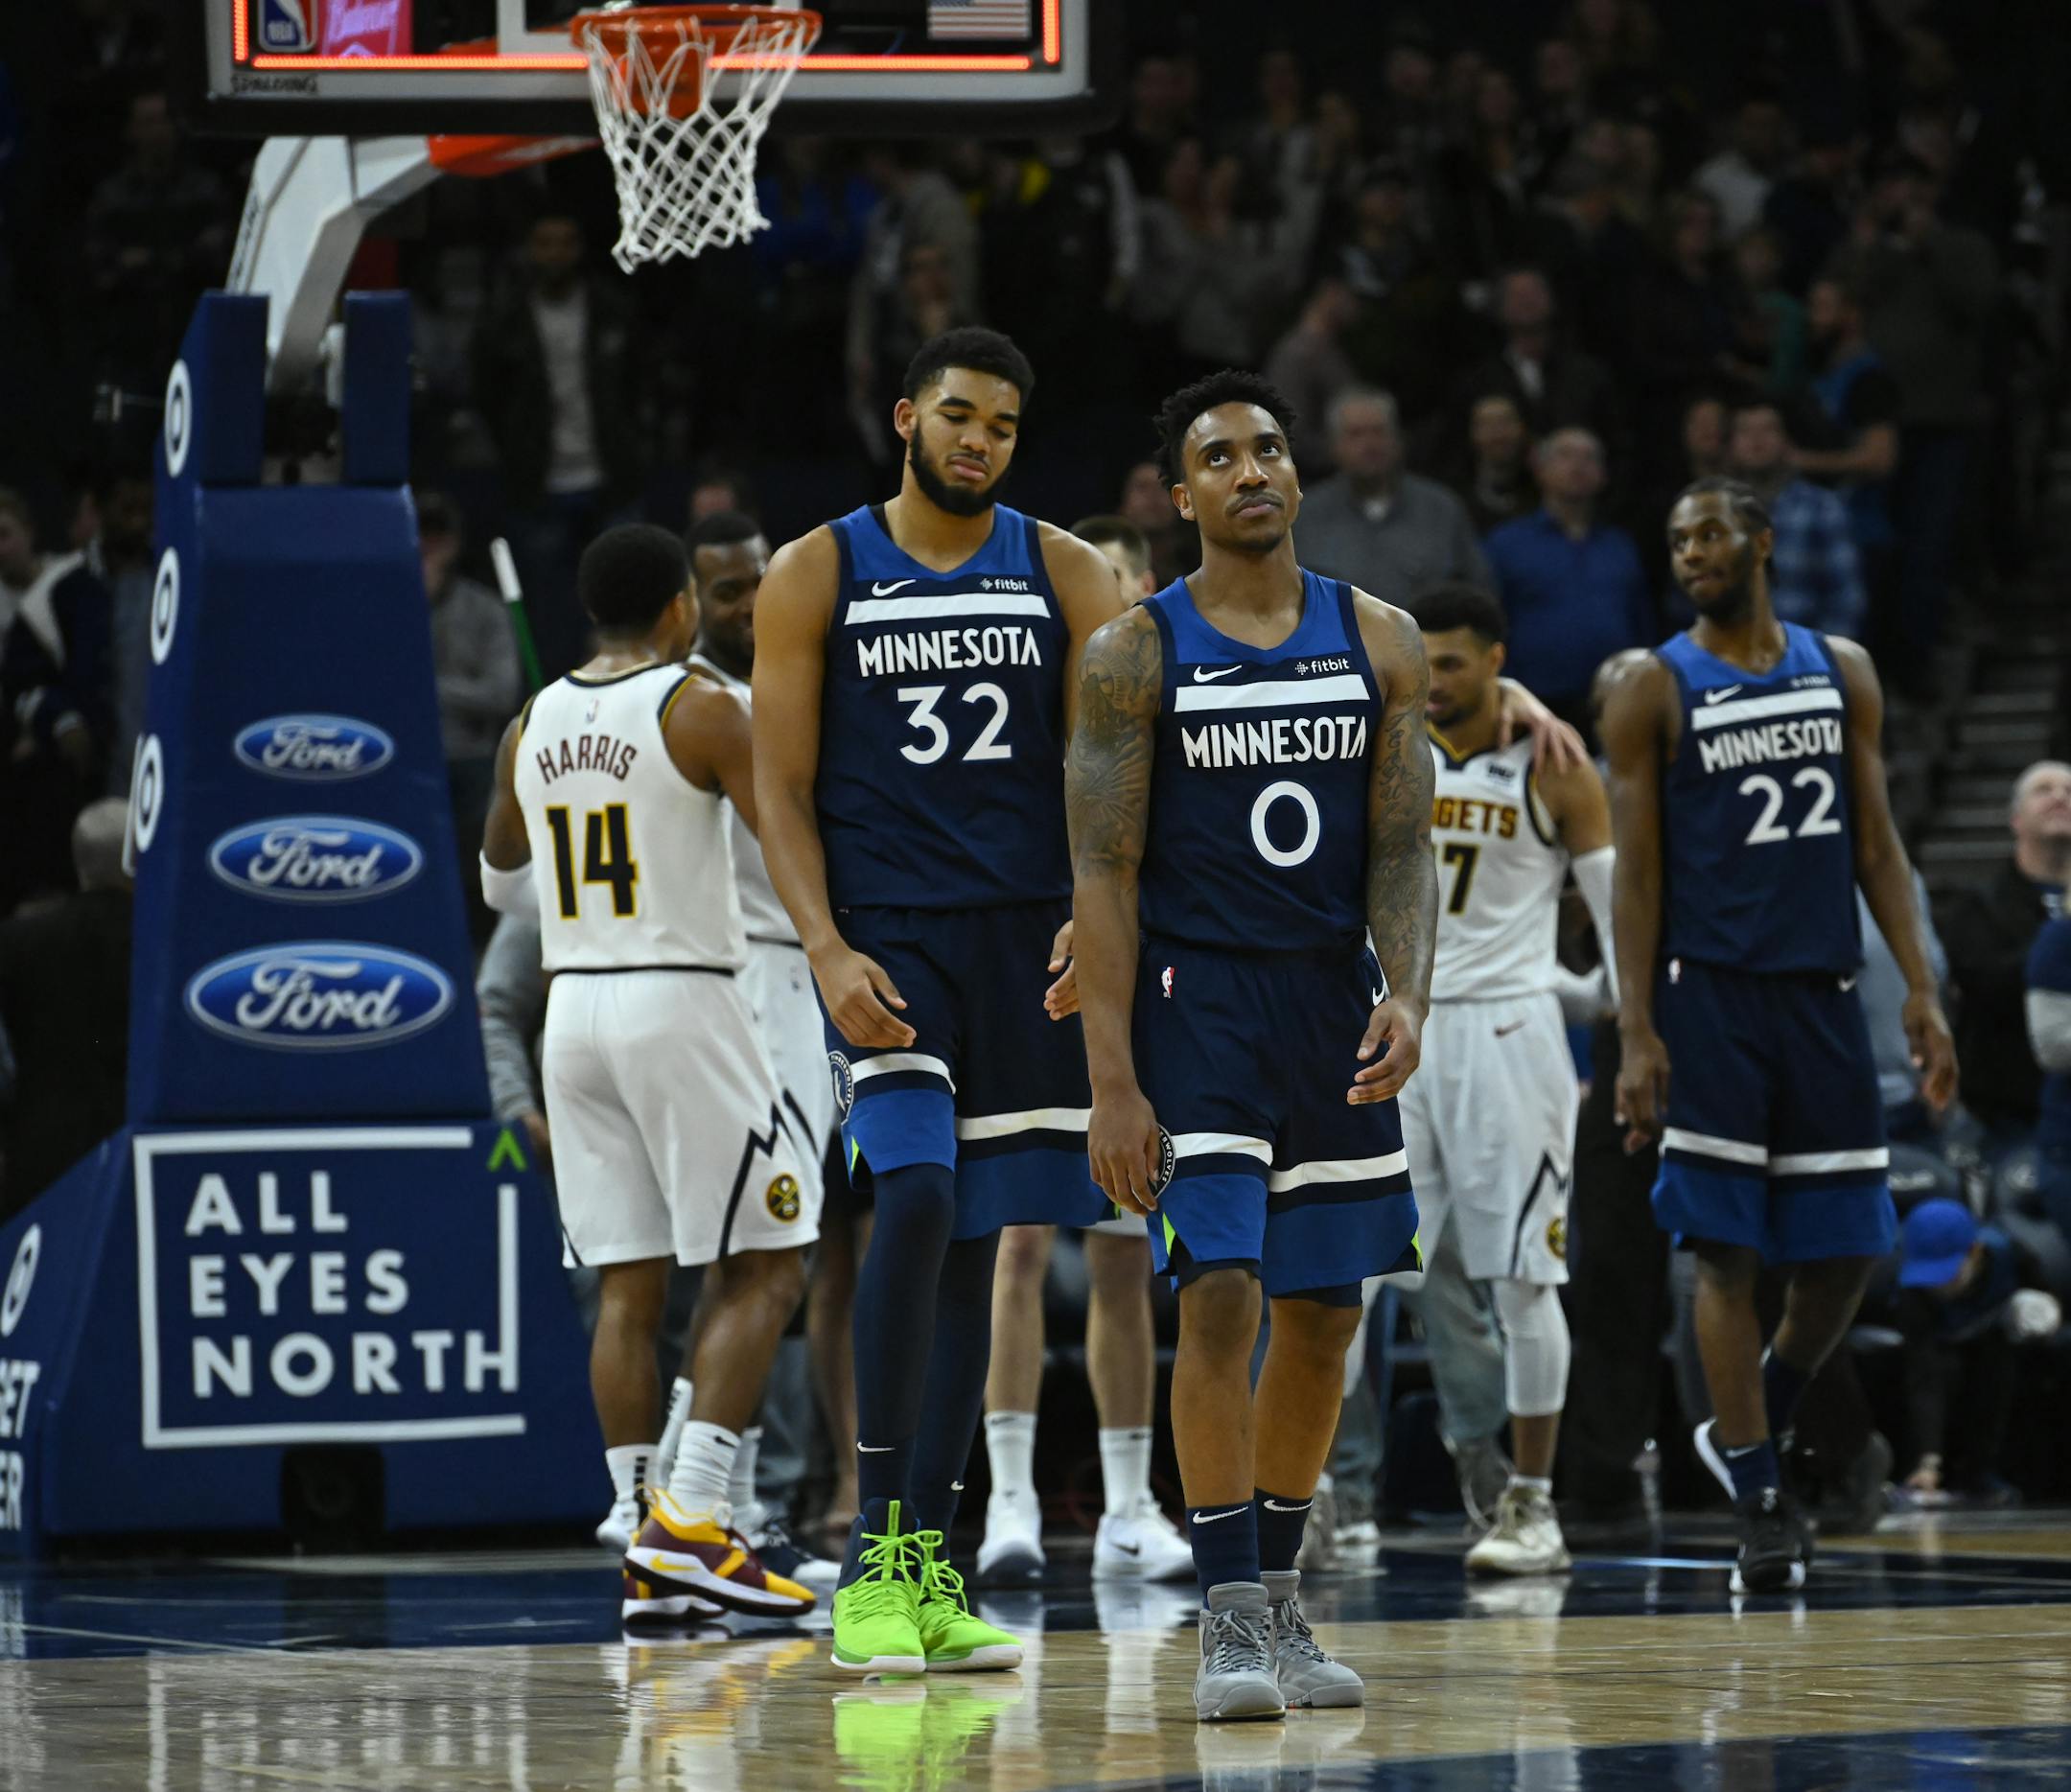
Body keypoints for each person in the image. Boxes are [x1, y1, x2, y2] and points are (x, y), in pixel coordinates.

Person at [752, 328, 1123, 1676]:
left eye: (1004, 426)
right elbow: (779, 789)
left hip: (1028, 943)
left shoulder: (1066, 567)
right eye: (959, 417)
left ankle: (930, 1561)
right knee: (911, 1196)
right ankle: (868, 1558)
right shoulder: (818, 569)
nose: (979, 442)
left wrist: (1103, 902)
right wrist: (826, 948)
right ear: (905, 417)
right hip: (893, 942)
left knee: (975, 1234)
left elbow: (1112, 762)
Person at [1067, 368, 1429, 1722]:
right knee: (1218, 1290)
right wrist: (1111, 1080)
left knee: (1328, 1313)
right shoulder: (1134, 653)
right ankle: (1224, 1614)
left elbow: (1402, 842)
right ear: (1181, 496)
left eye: (1270, 447)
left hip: (1332, 1000)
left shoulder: (1379, 635)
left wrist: (1412, 991)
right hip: (1195, 997)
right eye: (1220, 456)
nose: (1252, 469)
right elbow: (1100, 873)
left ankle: (1276, 1594)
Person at [1601, 477, 1957, 1594]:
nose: (1691, 552)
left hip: (1823, 993)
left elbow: (1879, 844)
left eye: (1709, 532)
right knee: (1724, 1253)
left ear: (1759, 540)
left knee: (1848, 1248)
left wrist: (1919, 988)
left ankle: (1764, 1411)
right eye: (1677, 539)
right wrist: (1639, 1030)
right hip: (1712, 997)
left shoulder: (1839, 668)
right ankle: (1760, 1498)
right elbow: (1639, 874)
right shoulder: (1655, 687)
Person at [479, 524, 817, 1631]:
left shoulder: (530, 720)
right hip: (680, 993)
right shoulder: (699, 704)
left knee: (628, 1286)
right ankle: (697, 1516)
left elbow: (499, 879)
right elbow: (790, 840)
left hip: (572, 1015)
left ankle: (644, 1542)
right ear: (680, 606)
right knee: (772, 1261)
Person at [978, 512, 1191, 1589]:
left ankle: (1128, 1506)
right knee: (1018, 1242)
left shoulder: (1171, 685)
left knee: (1121, 1247)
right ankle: (1007, 1501)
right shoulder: (1033, 690)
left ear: (1142, 586)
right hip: (1028, 975)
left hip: (1134, 985)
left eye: (1110, 582)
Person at [1397, 582, 1617, 1577]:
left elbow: (1618, 934)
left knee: (1526, 1280)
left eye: (1454, 662)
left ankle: (1533, 1504)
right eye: (1422, 661)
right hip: (1397, 1033)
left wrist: (1626, 1027)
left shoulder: (1558, 765)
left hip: (1508, 1036)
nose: (1433, 679)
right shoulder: (1390, 742)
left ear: (1493, 659)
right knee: (1347, 1282)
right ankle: (1312, 1505)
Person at [470, 209, 644, 680]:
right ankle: (549, 708)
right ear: (529, 250)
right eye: (544, 242)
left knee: (626, 607)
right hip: (537, 484)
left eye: (565, 241)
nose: (555, 254)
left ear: (581, 248)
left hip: (611, 479)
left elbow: (638, 387)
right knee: (546, 616)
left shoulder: (614, 310)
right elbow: (488, 397)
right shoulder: (502, 323)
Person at [0, 800, 129, 1221]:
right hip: (139, 1151)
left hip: (41, 1157)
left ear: (80, 863)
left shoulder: (18, 942)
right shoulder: (172, 946)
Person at [1938, 761, 2071, 1159]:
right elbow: (1984, 988)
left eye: (2068, 789)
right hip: (2006, 1117)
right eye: (2043, 789)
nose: (2060, 796)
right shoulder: (1977, 906)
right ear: (2016, 819)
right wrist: (2060, 933)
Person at [1889, 1199, 2060, 1504]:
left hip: (1997, 1342)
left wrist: (2044, 1310)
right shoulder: (1912, 1293)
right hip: (1940, 1352)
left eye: (1946, 1274)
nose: (1936, 1287)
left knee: (2002, 1365)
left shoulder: (2012, 1255)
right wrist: (1929, 1460)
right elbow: (1923, 1375)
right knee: (1939, 1370)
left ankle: (1984, 1471)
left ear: (1975, 1252)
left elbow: (2046, 1298)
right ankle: (1924, 1469)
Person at [1483, 429, 1653, 729]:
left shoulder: (1620, 545)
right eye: (1565, 456)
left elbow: (1642, 622)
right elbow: (1491, 625)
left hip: (1620, 703)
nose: (1578, 466)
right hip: (1535, 706)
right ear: (1540, 470)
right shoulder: (1506, 544)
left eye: (1589, 458)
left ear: (1603, 475)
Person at [417, 491, 523, 947]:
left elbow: (502, 693)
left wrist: (429, 686)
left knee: (477, 859)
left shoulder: (484, 609)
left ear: (455, 542)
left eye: (437, 536)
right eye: (420, 535)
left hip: (471, 758)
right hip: (408, 759)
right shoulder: (382, 608)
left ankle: (478, 951)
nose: (428, 546)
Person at [1297, 388, 1491, 609]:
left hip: (1426, 640)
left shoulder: (1441, 509)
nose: (1370, 445)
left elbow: (1480, 593)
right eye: (1355, 434)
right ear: (1334, 446)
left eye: (1379, 432)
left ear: (1399, 440)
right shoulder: (1304, 516)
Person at [1723, 401, 1865, 640]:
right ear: (1730, 445)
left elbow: (1846, 600)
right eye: (1745, 430)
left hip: (1801, 660)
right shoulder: (1711, 511)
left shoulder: (1821, 507)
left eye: (1769, 429)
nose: (1757, 439)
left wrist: (1821, 665)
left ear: (1788, 440)